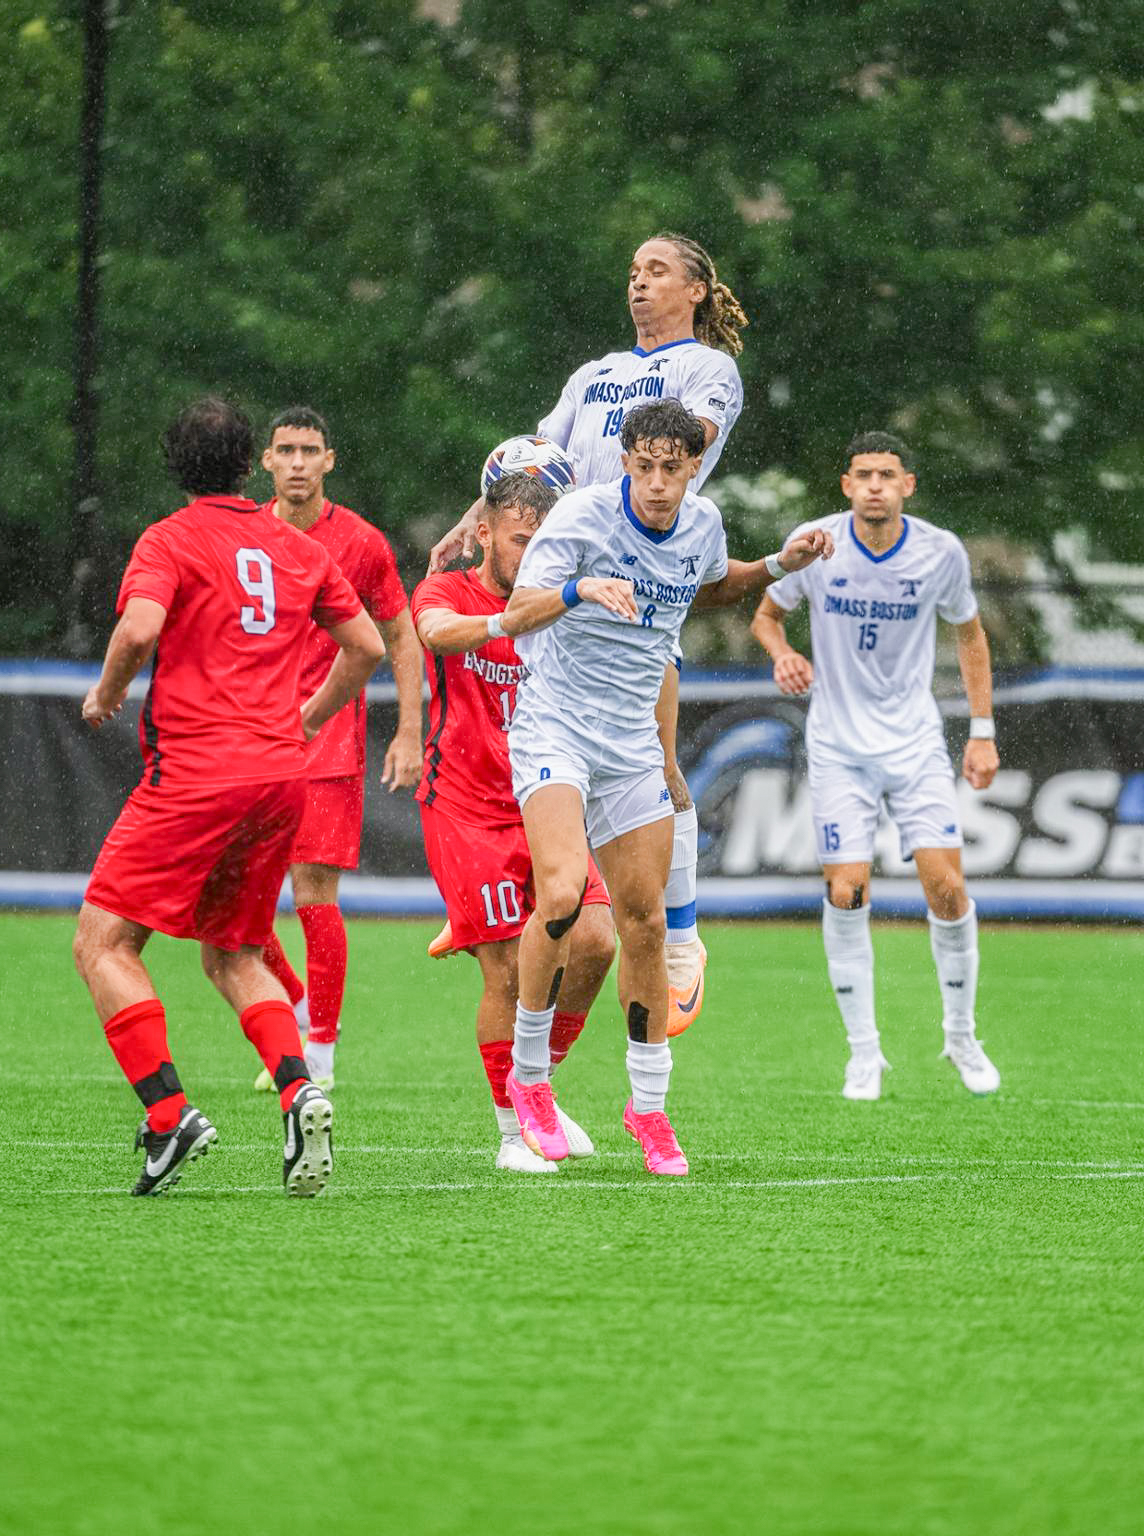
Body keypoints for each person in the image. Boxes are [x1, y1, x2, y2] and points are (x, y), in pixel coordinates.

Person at [494, 397, 832, 1176]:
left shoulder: (703, 522)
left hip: (630, 743)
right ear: (626, 459)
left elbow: (711, 586)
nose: (654, 483)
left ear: (690, 467)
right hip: (556, 728)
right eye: (642, 466)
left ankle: (648, 1108)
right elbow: (516, 613)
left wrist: (781, 564)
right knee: (562, 894)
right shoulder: (580, 517)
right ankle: (531, 1081)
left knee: (644, 923)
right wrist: (582, 591)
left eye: (670, 469)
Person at [429, 233, 748, 1034]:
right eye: (633, 273)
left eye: (658, 273)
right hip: (566, 592)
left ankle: (683, 938)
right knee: (505, 729)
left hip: (638, 593)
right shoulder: (594, 375)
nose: (639, 285)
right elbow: (536, 462)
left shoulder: (705, 372)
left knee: (658, 762)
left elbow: (680, 448)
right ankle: (474, 903)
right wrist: (475, 518)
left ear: (698, 290)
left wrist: (619, 486)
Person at [73, 396, 384, 1197]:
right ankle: (297, 1085)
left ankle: (169, 1114)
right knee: (234, 951)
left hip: (199, 773)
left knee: (104, 944)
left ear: (175, 467)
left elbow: (140, 630)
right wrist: (307, 717)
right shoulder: (291, 544)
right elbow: (369, 645)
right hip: (280, 774)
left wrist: (107, 693)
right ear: (253, 465)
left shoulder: (169, 539)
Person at [750, 432, 1001, 1102]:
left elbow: (969, 635)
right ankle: (865, 1054)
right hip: (838, 745)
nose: (875, 487)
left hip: (915, 742)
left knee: (945, 888)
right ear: (845, 485)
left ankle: (961, 1036)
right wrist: (781, 653)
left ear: (907, 485)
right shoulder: (816, 545)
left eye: (887, 475)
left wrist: (982, 733)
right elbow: (767, 614)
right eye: (863, 475)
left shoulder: (939, 552)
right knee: (847, 890)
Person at [409, 473, 618, 1173]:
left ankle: (537, 1088)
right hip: (466, 810)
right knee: (505, 970)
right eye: (522, 541)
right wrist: (510, 620)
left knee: (595, 941)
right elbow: (435, 634)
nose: (533, 555)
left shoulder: (565, 601)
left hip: (546, 801)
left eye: (544, 543)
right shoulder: (446, 590)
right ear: (484, 535)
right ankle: (510, 1135)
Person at [251, 406, 422, 1092]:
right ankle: (295, 1001)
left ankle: (318, 1049)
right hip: (250, 737)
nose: (297, 461)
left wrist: (410, 730)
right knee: (223, 896)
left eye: (309, 450)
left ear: (330, 460)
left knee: (312, 892)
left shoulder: (360, 542)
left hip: (327, 743)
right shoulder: (244, 537)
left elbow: (401, 636)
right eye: (285, 450)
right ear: (266, 461)